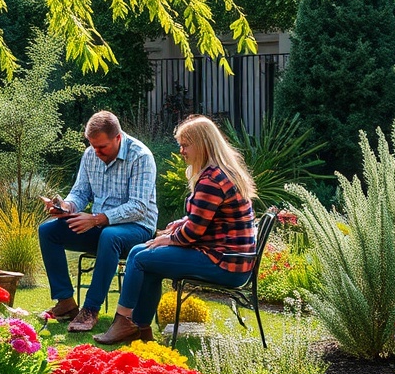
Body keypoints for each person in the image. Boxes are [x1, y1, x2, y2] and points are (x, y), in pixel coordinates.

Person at [94, 114, 257, 344]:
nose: (181, 151)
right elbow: (203, 219)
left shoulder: (212, 180)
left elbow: (194, 232)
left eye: (185, 145)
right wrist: (178, 226)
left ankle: (124, 323)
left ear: (201, 145)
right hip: (231, 259)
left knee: (142, 256)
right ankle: (139, 330)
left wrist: (169, 239)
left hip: (224, 263)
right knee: (144, 256)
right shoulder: (221, 173)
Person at [38, 110, 157, 333]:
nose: (96, 151)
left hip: (137, 228)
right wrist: (66, 206)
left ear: (118, 138)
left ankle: (91, 309)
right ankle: (65, 302)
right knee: (48, 231)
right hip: (100, 227)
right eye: (93, 146)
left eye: (102, 147)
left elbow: (139, 207)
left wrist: (97, 219)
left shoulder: (141, 156)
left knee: (110, 235)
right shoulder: (90, 155)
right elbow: (81, 192)